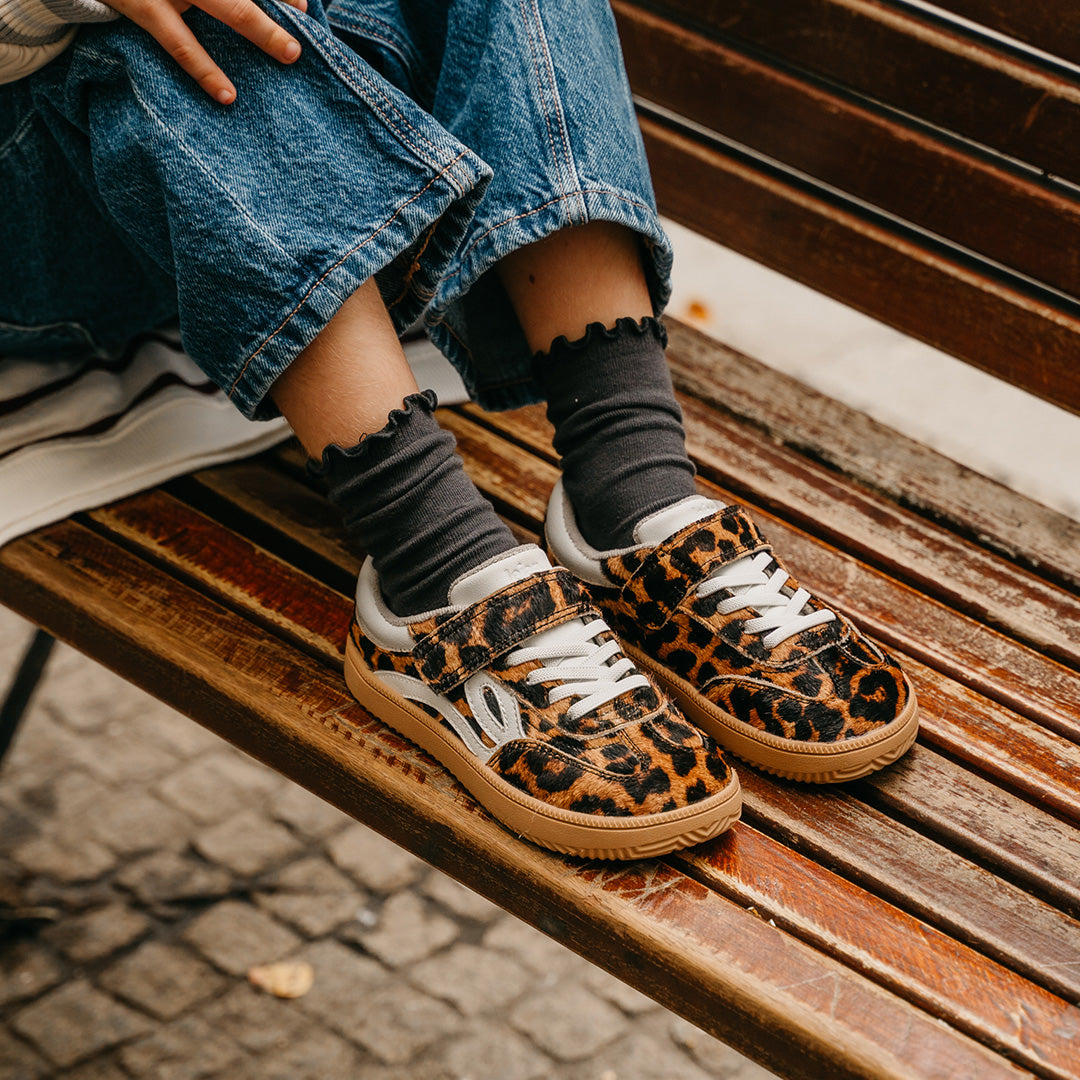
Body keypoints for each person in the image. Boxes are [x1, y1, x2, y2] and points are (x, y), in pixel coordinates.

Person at [1, 0, 918, 859]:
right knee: (175, 20)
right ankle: (429, 565)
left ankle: (632, 484)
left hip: (340, 193)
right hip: (59, 222)